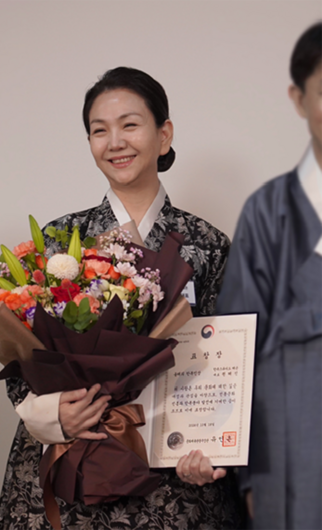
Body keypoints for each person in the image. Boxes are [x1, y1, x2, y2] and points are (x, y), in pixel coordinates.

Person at [0, 66, 242, 529]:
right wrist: (54, 414)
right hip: (74, 454)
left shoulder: (207, 244)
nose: (115, 142)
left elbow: (228, 359)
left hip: (171, 468)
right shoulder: (59, 240)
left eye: (130, 124)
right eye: (99, 130)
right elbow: (20, 354)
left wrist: (213, 444)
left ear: (163, 135)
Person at [216, 22, 322, 530]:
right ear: (299, 99)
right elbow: (234, 354)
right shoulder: (268, 211)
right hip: (292, 458)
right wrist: (251, 477)